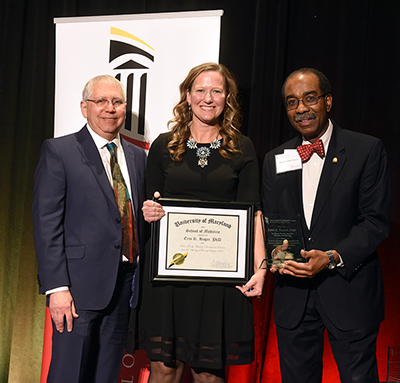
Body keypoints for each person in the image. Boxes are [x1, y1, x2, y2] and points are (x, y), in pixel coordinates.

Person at [136, 62, 266, 383]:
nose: (208, 98)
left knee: (209, 372)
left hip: (219, 276)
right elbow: (148, 205)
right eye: (201, 90)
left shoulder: (242, 147)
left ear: (227, 98)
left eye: (216, 91)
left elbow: (255, 213)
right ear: (188, 96)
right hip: (169, 274)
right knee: (164, 368)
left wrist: (262, 268)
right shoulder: (163, 146)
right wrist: (148, 211)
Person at [261, 68, 391, 383]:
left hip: (349, 292)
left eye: (310, 98)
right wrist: (277, 256)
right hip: (294, 296)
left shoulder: (366, 150)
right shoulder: (275, 159)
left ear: (328, 101)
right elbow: (271, 224)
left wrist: (331, 256)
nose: (301, 109)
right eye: (292, 102)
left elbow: (375, 221)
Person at [32, 74, 147, 383]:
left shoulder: (138, 157)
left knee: (106, 374)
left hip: (123, 286)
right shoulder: (59, 151)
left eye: (117, 102)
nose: (110, 109)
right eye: (101, 101)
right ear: (85, 107)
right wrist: (57, 289)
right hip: (77, 290)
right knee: (70, 373)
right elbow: (47, 225)